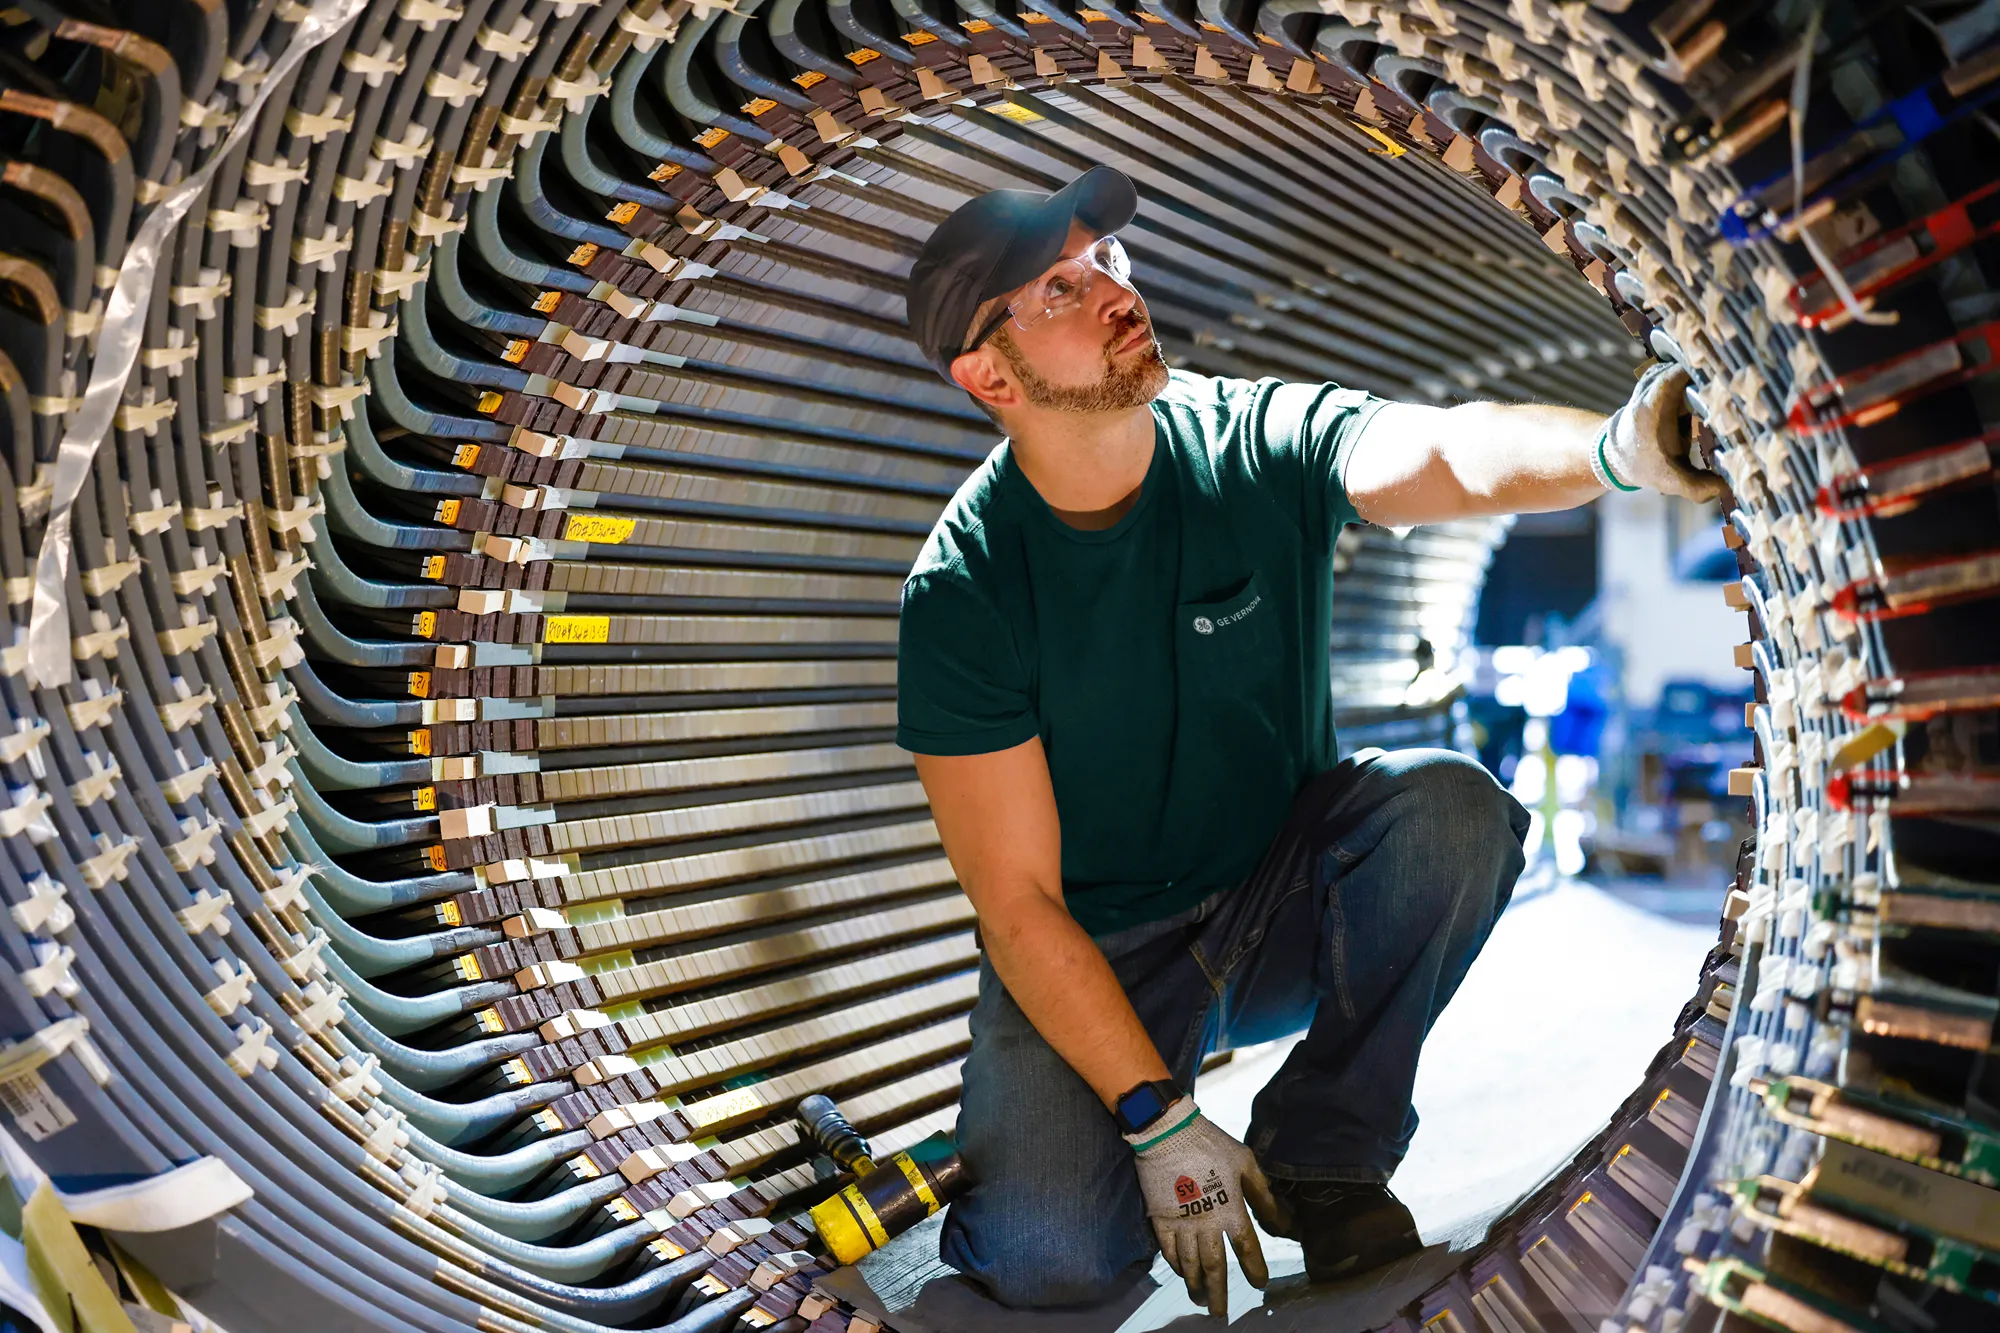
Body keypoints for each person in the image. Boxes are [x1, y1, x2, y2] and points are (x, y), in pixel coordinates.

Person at [896, 166, 1723, 1318]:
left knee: (1451, 807)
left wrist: (1614, 450)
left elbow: (1439, 451)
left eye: (1106, 265)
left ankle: (1325, 1157)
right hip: (1101, 942)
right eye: (1058, 290)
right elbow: (1019, 901)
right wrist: (1158, 1118)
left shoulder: (1251, 438)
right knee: (1050, 1264)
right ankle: (1055, 1135)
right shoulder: (966, 590)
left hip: (1280, 897)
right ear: (990, 375)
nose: (1111, 294)